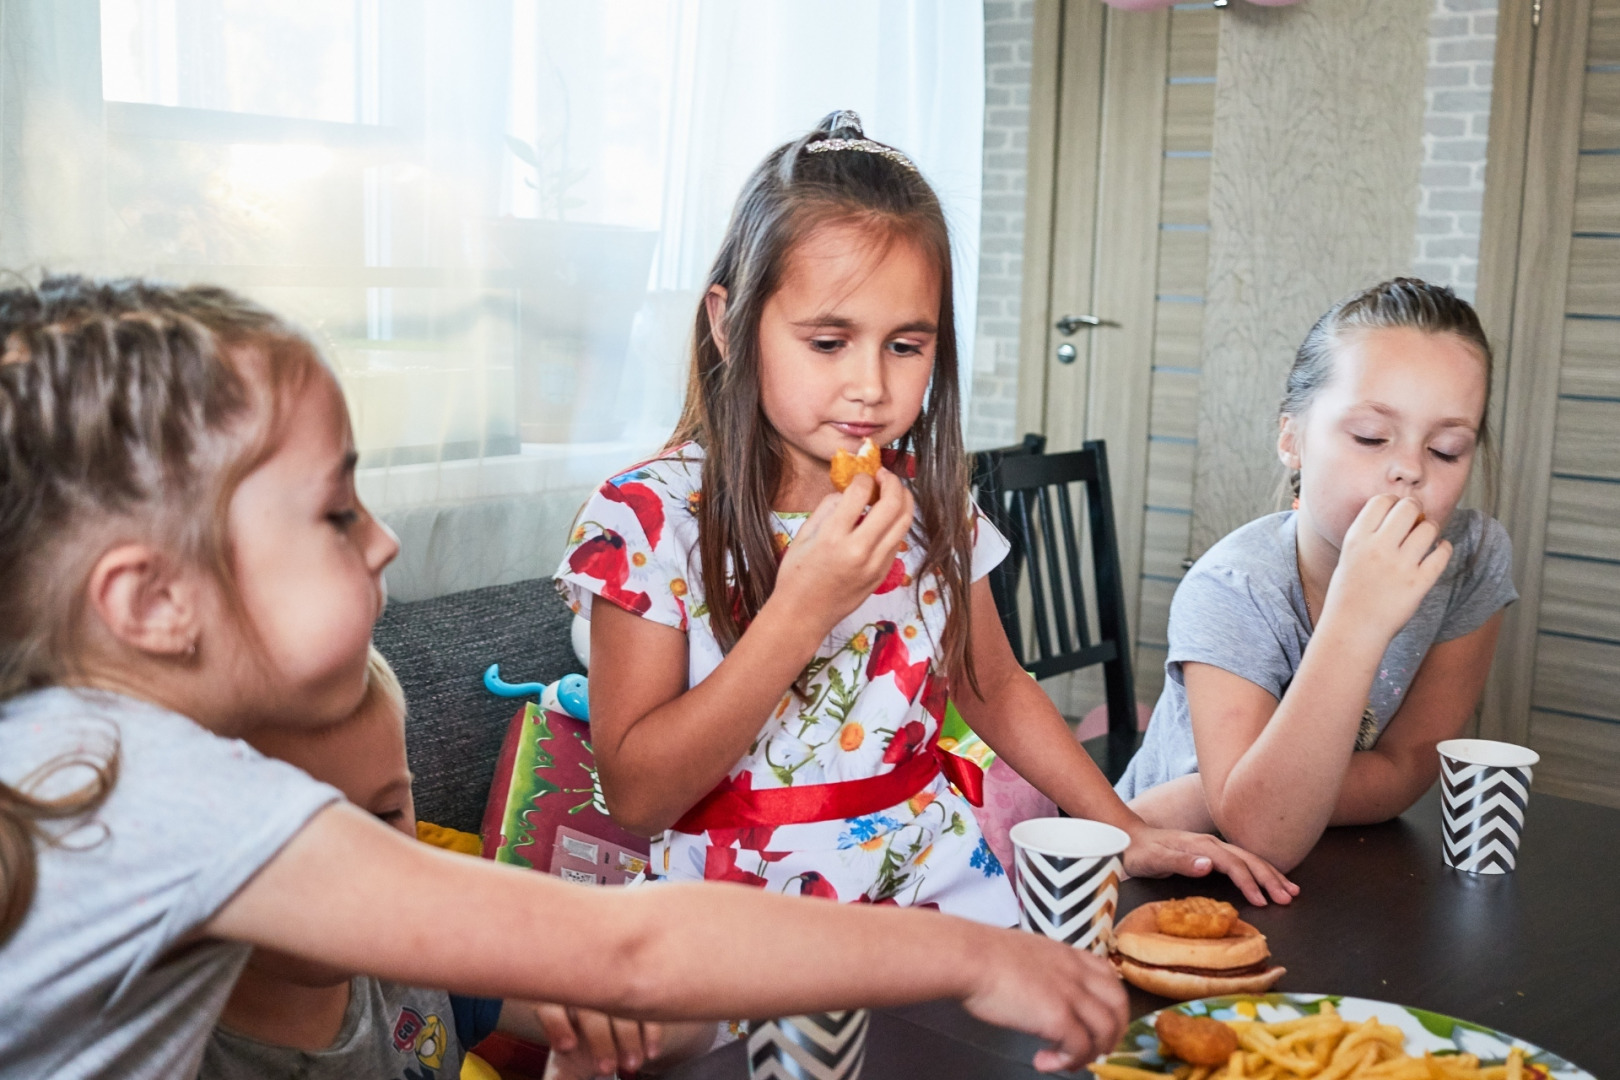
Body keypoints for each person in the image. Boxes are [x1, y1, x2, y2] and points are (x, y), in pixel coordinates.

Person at [0, 275, 1130, 1080]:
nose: (384, 540)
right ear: (148, 603)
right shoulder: (144, 794)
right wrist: (975, 954)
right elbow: (628, 947)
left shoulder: (75, 756)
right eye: (337, 512)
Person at [558, 110, 1295, 927]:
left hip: (939, 886)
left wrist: (1119, 827)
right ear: (729, 325)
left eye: (906, 346)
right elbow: (636, 794)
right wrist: (802, 607)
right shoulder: (647, 520)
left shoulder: (932, 502)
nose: (871, 386)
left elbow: (995, 685)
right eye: (829, 342)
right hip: (737, 917)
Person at [1119, 278, 1517, 872]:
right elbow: (1265, 832)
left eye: (1447, 450)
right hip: (1157, 872)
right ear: (1292, 439)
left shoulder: (1473, 560)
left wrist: (1215, 798)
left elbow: (1407, 768)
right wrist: (1358, 617)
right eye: (1371, 437)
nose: (1408, 469)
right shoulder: (1232, 589)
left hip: (1311, 862)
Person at [203, 647, 715, 1080]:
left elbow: (685, 1020)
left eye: (386, 814)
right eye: (303, 837)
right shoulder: (164, 1048)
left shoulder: (426, 943)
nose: (370, 862)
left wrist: (628, 1016)